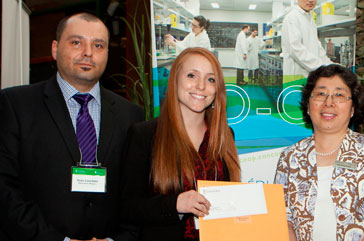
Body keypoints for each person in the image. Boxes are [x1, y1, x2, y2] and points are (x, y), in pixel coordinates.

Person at [0, 13, 144, 241]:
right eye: (77, 42)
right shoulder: (16, 105)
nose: (88, 52)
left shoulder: (131, 115)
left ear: (107, 53)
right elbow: (5, 188)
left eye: (98, 45)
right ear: (55, 49)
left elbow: (136, 193)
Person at [120, 47, 241, 241]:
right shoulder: (145, 135)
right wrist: (175, 204)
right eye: (192, 75)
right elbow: (127, 207)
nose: (201, 86)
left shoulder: (225, 136)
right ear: (175, 80)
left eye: (211, 79)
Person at [275, 64, 364, 241]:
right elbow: (283, 218)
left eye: (339, 95)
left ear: (352, 109)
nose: (328, 102)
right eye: (320, 94)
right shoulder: (290, 157)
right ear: (309, 106)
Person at [281, 0, 332, 81]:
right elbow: (295, 49)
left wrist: (330, 65)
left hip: (310, 75)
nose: (311, 0)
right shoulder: (292, 17)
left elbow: (317, 46)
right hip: (296, 77)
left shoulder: (310, 18)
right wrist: (321, 66)